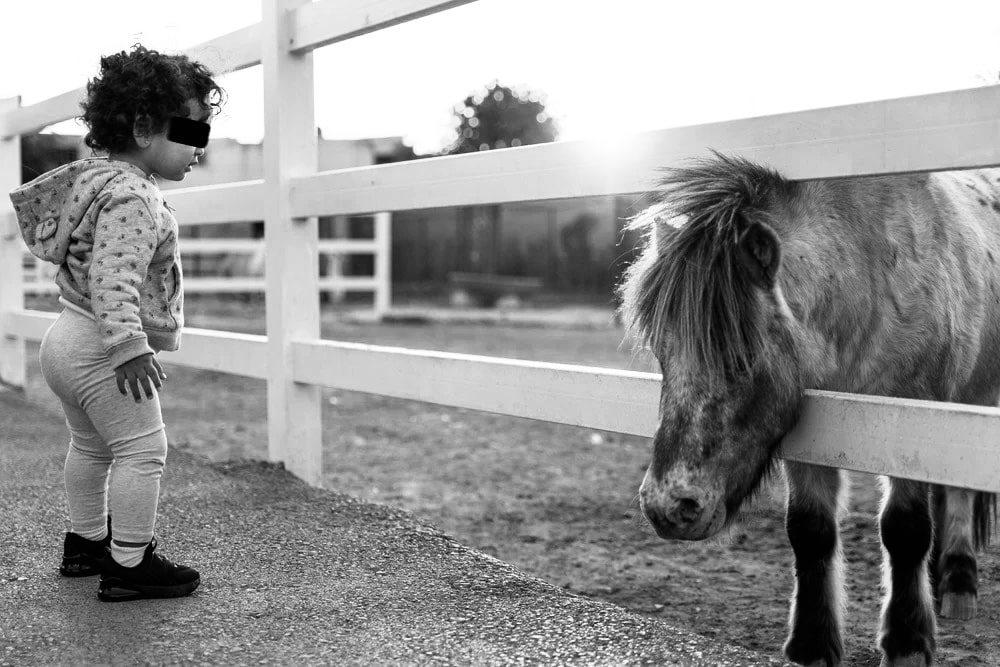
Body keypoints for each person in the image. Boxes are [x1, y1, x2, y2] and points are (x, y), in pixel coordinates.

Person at [8, 45, 224, 602]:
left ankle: (85, 544)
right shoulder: (132, 195)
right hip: (102, 345)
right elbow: (114, 276)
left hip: (66, 337)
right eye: (194, 132)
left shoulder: (95, 180)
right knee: (143, 449)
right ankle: (129, 562)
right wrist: (129, 345)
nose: (200, 148)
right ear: (146, 126)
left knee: (91, 446)